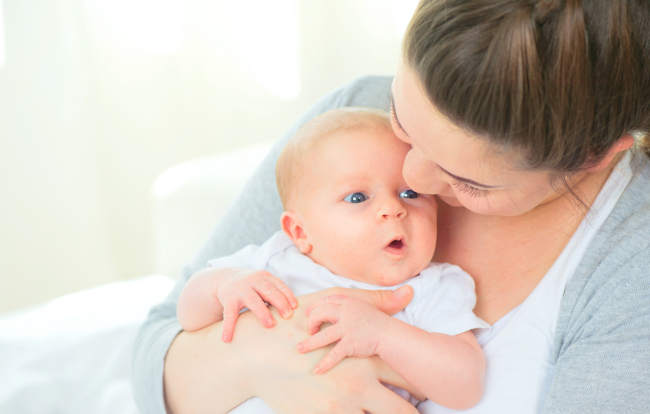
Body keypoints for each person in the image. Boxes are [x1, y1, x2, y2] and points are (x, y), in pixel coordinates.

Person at [133, 1, 650, 413]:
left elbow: (463, 380)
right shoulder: (348, 119)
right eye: (402, 120)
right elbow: (157, 348)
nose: (411, 179)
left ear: (593, 157)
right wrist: (254, 358)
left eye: (469, 182)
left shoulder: (629, 268)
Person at [175, 108, 490, 412]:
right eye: (357, 197)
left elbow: (467, 386)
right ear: (299, 231)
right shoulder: (276, 260)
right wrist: (224, 284)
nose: (393, 209)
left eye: (410, 193)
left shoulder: (433, 288)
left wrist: (384, 334)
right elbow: (188, 317)